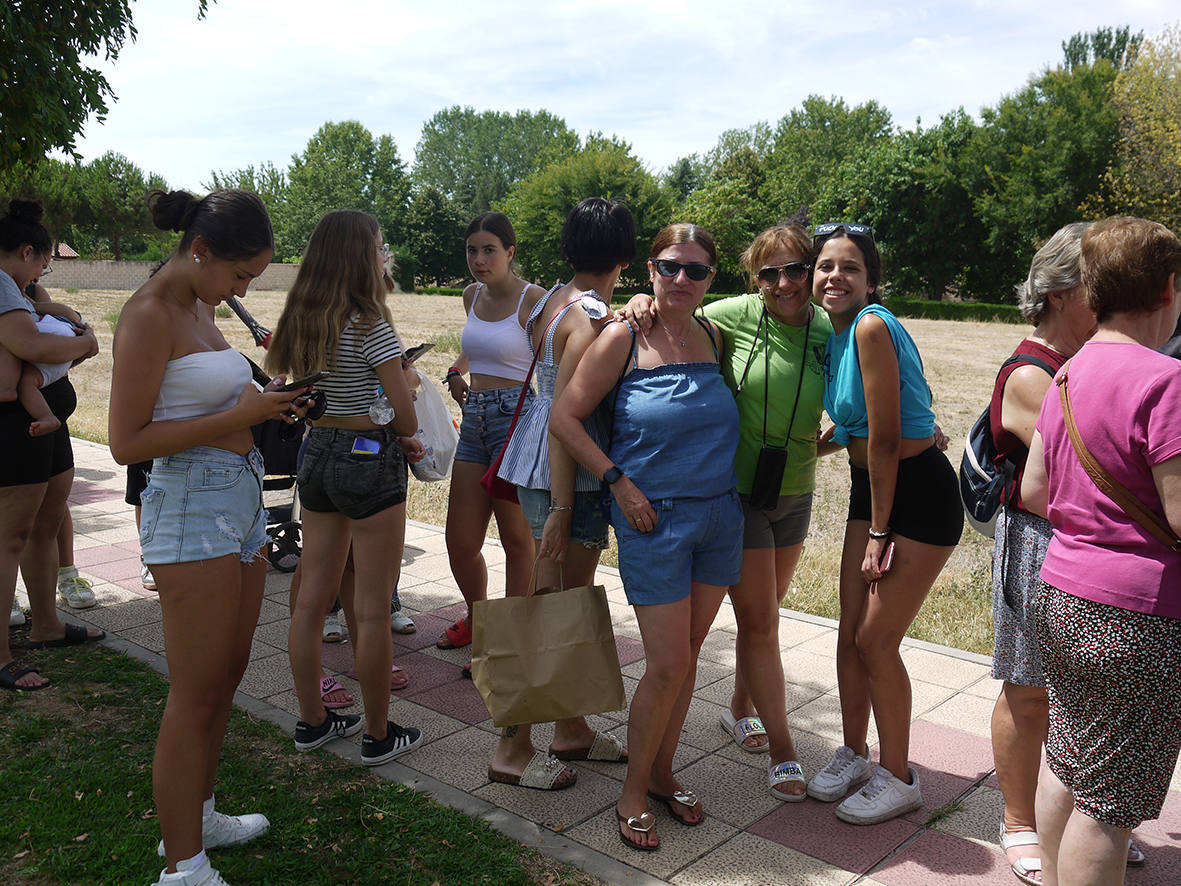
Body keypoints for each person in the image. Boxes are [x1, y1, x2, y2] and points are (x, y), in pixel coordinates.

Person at [109, 188, 306, 886]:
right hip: (190, 503)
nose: (242, 291)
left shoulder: (198, 304)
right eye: (240, 275)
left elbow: (205, 397)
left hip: (238, 497)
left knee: (225, 674)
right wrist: (247, 409)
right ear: (200, 251)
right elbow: (126, 441)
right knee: (194, 691)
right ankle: (181, 867)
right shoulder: (149, 314)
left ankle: (200, 814)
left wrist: (264, 406)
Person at [621, 223, 835, 801]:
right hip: (734, 494)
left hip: (795, 490)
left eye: (796, 269)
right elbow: (675, 309)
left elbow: (858, 398)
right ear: (752, 279)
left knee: (762, 614)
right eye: (770, 273)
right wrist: (640, 301)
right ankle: (785, 753)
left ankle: (740, 706)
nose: (785, 283)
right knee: (762, 622)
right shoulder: (736, 314)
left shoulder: (828, 325)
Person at [552, 223, 743, 851]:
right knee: (664, 664)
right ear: (650, 269)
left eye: (695, 270)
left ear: (712, 279)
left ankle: (662, 772)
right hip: (651, 521)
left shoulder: (715, 334)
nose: (680, 279)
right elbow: (566, 417)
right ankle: (632, 793)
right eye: (669, 266)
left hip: (719, 520)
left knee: (685, 660)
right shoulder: (622, 337)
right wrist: (618, 483)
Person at [984, 224, 1148, 884]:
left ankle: (1087, 821)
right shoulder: (1032, 374)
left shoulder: (1085, 366)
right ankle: (1019, 821)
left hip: (1081, 550)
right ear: (1057, 295)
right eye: (1094, 289)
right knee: (1027, 692)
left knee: (1079, 700)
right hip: (1037, 546)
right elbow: (1068, 485)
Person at [1021, 216, 1181, 886]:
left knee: (1069, 762)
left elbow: (1033, 489)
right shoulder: (1166, 381)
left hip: (1061, 597)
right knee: (1108, 808)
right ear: (1169, 288)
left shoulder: (1066, 372)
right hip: (1135, 620)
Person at [807, 222, 962, 825]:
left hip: (914, 493)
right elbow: (855, 430)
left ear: (871, 280)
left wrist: (879, 533)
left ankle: (899, 776)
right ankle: (853, 750)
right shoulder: (837, 334)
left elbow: (891, 437)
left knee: (875, 639)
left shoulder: (870, 325)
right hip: (871, 485)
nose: (834, 277)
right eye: (825, 266)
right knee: (849, 631)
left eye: (849, 267)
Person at [267, 209, 423, 767]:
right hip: (368, 460)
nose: (385, 254)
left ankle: (313, 718)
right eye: (379, 246)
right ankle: (379, 733)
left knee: (311, 599)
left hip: (319, 455)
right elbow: (403, 417)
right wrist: (404, 383)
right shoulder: (371, 326)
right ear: (362, 255)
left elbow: (298, 389)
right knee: (374, 607)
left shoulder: (303, 321)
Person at [490, 197, 635, 790]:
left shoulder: (553, 300)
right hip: (563, 474)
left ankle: (570, 728)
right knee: (549, 608)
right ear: (624, 256)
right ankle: (513, 749)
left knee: (561, 601)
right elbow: (564, 418)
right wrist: (564, 507)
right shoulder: (592, 318)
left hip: (533, 462)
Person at [0, 199, 101, 692]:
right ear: (24, 251)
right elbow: (34, 348)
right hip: (13, 425)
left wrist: (52, 306)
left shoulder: (18, 287)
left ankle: (47, 626)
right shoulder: (1, 283)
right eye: (42, 260)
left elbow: (35, 322)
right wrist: (83, 344)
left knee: (43, 524)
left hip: (44, 422)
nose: (44, 270)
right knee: (9, 538)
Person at [437, 213, 544, 652]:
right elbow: (477, 343)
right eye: (472, 251)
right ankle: (480, 619)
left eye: (489, 250)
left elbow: (546, 360)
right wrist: (455, 369)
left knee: (517, 541)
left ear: (510, 252)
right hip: (476, 416)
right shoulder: (471, 295)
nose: (479, 260)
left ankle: (510, 640)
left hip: (515, 420)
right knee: (459, 542)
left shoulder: (532, 299)